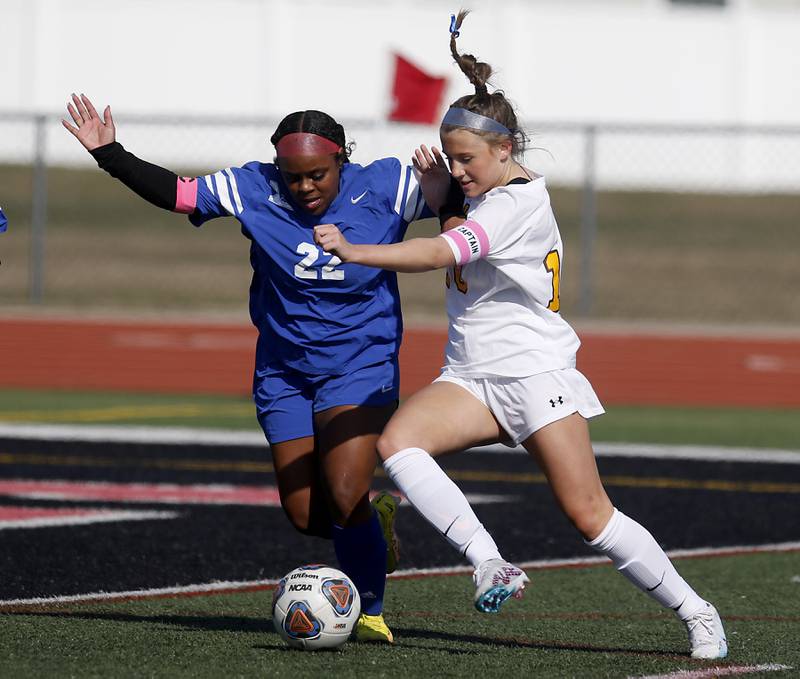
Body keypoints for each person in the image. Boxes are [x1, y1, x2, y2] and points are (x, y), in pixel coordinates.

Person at [314, 10, 728, 659]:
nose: (459, 167)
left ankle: (697, 610)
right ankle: (490, 563)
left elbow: (441, 255)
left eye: (469, 157)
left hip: (535, 374)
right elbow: (466, 239)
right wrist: (443, 190)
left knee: (590, 516)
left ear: (506, 149)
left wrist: (354, 250)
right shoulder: (482, 196)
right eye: (451, 156)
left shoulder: (517, 204)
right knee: (399, 445)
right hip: (472, 376)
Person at [62, 94, 433, 644]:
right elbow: (180, 195)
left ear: (342, 162)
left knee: (346, 487)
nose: (305, 187)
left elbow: (467, 195)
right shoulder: (252, 186)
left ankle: (369, 606)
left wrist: (483, 163)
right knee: (308, 515)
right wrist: (109, 153)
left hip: (362, 363)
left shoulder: (387, 186)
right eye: (293, 177)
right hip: (283, 370)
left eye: (317, 175)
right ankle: (378, 523)